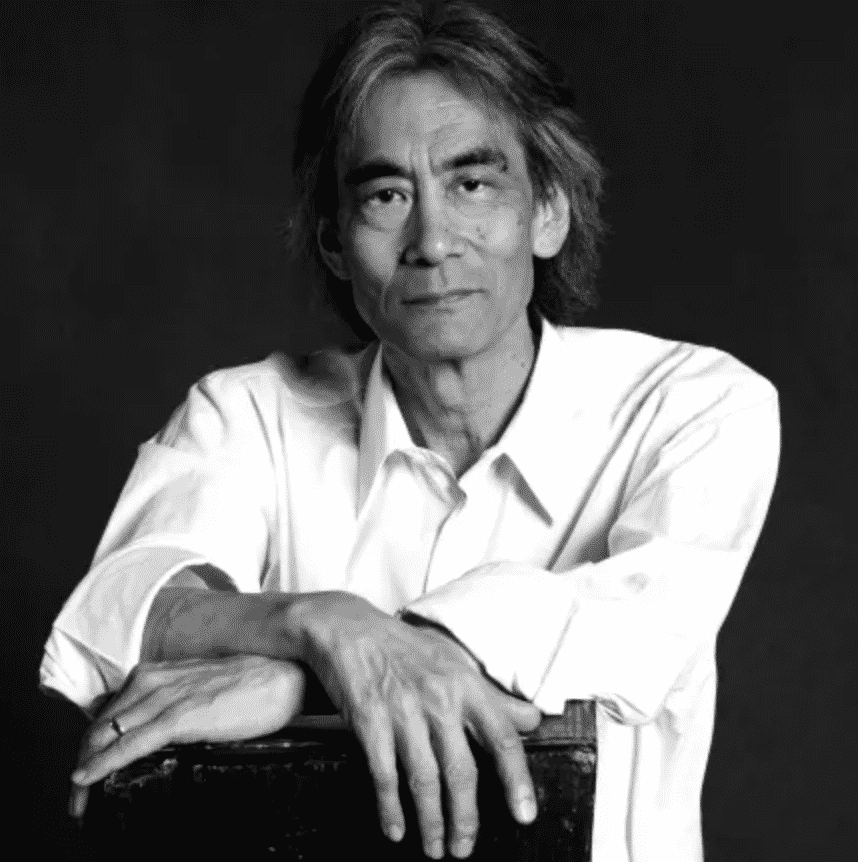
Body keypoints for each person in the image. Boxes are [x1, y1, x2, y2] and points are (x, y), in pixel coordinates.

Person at [40, 2, 781, 860]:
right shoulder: (245, 415)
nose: (432, 241)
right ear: (333, 241)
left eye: (473, 185)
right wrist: (324, 629)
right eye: (388, 195)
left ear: (548, 211)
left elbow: (633, 625)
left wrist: (307, 678)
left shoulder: (696, 406)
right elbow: (130, 608)